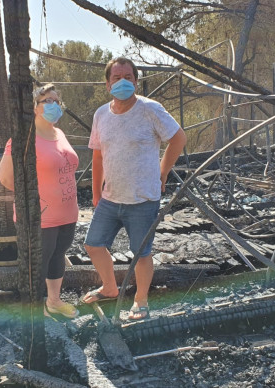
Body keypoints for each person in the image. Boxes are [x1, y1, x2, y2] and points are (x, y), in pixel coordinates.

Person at [81, 57, 187, 320]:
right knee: (93, 244)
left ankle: (141, 301)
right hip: (110, 197)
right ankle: (109, 288)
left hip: (142, 199)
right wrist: (96, 193)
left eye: (128, 77)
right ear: (107, 85)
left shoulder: (150, 109)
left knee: (141, 252)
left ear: (136, 81)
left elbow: (178, 138)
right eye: (116, 78)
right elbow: (97, 156)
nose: (122, 82)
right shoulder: (101, 114)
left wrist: (163, 174)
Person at [0, 83, 80, 319]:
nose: (54, 105)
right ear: (35, 107)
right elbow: (5, 177)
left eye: (56, 101)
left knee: (57, 255)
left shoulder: (59, 133)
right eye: (47, 101)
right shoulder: (23, 139)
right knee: (38, 262)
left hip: (67, 212)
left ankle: (53, 302)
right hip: (39, 215)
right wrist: (33, 197)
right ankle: (34, 311)